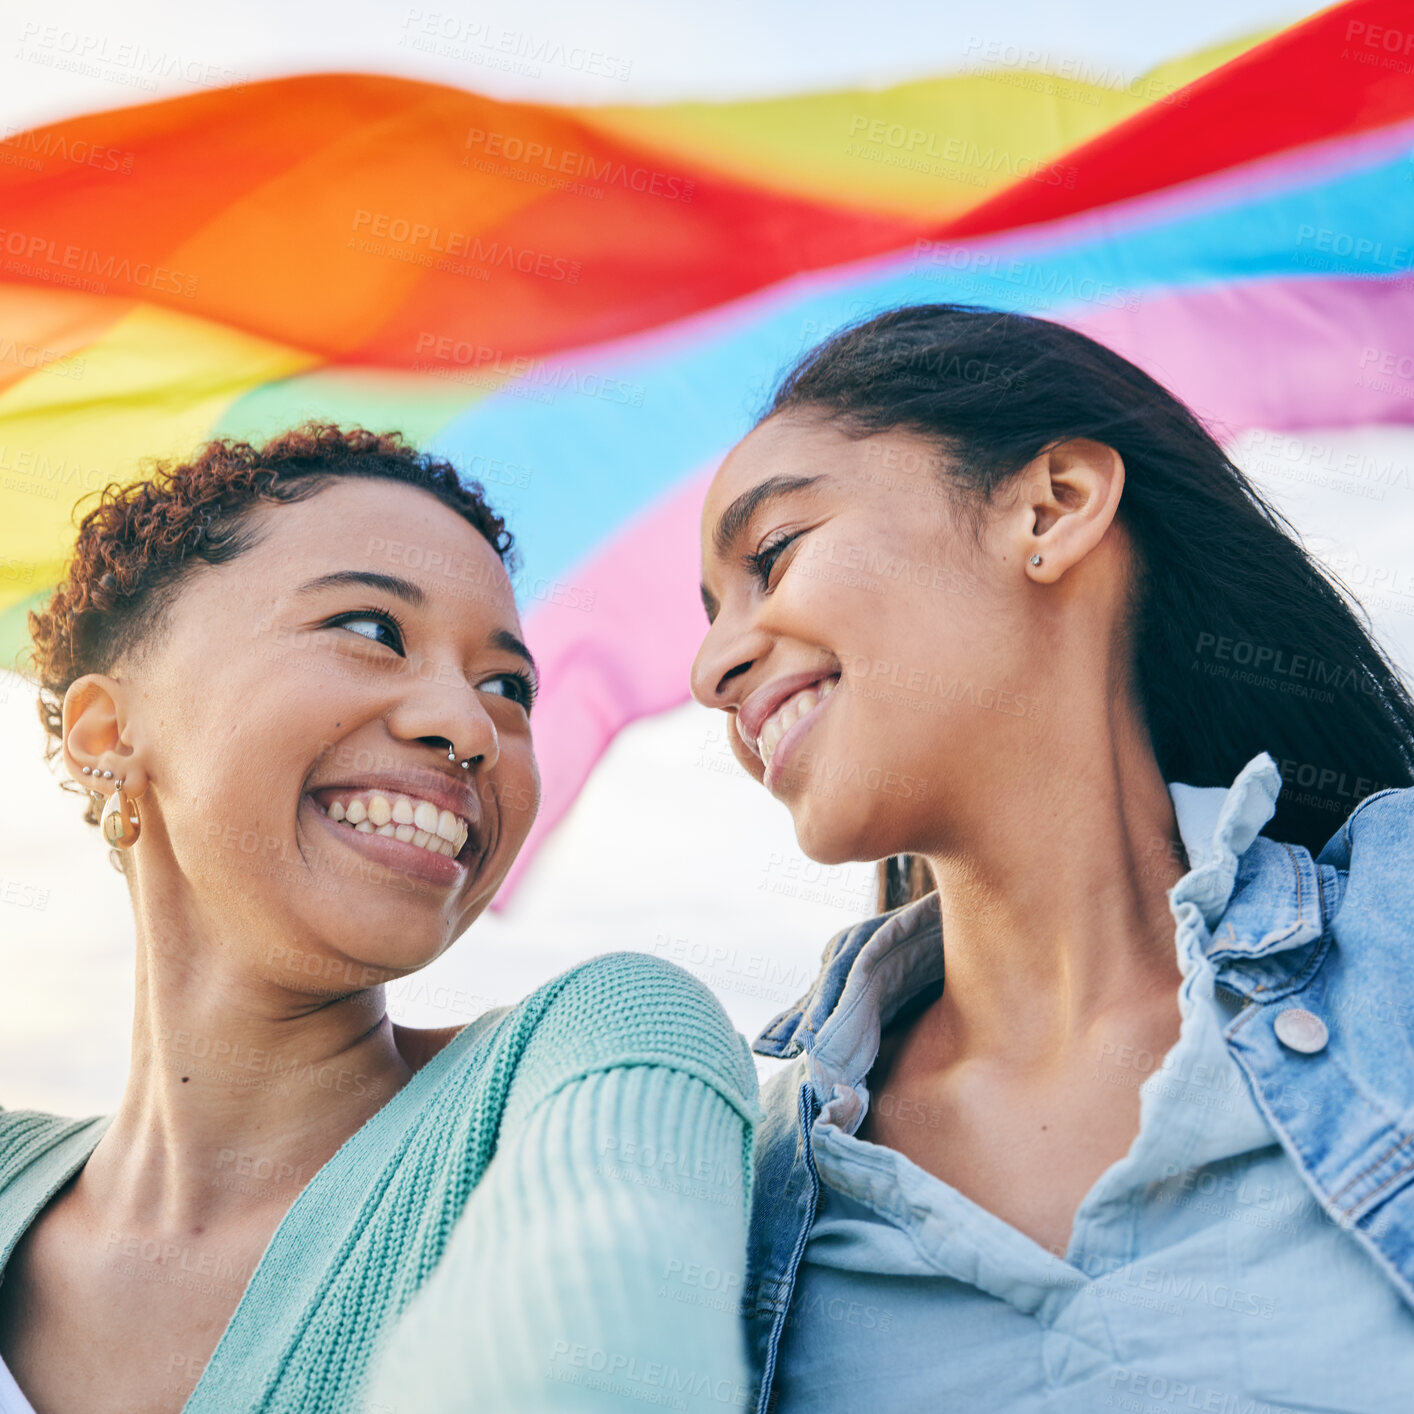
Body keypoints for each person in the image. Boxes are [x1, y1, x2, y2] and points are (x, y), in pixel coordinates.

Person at [689, 304, 1414, 1413]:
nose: (709, 669)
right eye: (712, 611)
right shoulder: (737, 1194)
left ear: (1053, 504)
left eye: (772, 553)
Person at [0, 423, 759, 1414]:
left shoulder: (596, 1047)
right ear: (108, 733)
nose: (469, 724)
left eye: (509, 687)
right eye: (368, 630)